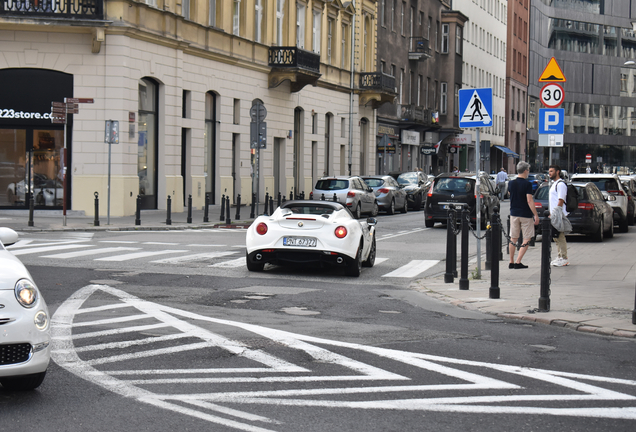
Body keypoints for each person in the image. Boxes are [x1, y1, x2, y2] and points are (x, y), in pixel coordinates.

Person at [507, 161, 540, 269]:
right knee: (527, 238)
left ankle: (511, 261)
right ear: (525, 170)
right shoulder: (527, 184)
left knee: (513, 238)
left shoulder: (511, 183)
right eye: (528, 170)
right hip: (525, 214)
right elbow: (529, 200)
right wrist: (535, 214)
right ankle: (518, 261)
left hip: (514, 213)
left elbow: (509, 194)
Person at [549, 164, 569, 267]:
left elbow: (561, 200)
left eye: (551, 171)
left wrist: (556, 212)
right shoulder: (554, 184)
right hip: (554, 214)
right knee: (556, 236)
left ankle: (564, 257)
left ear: (557, 172)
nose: (549, 173)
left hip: (559, 214)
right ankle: (559, 256)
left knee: (560, 236)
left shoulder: (560, 184)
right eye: (549, 171)